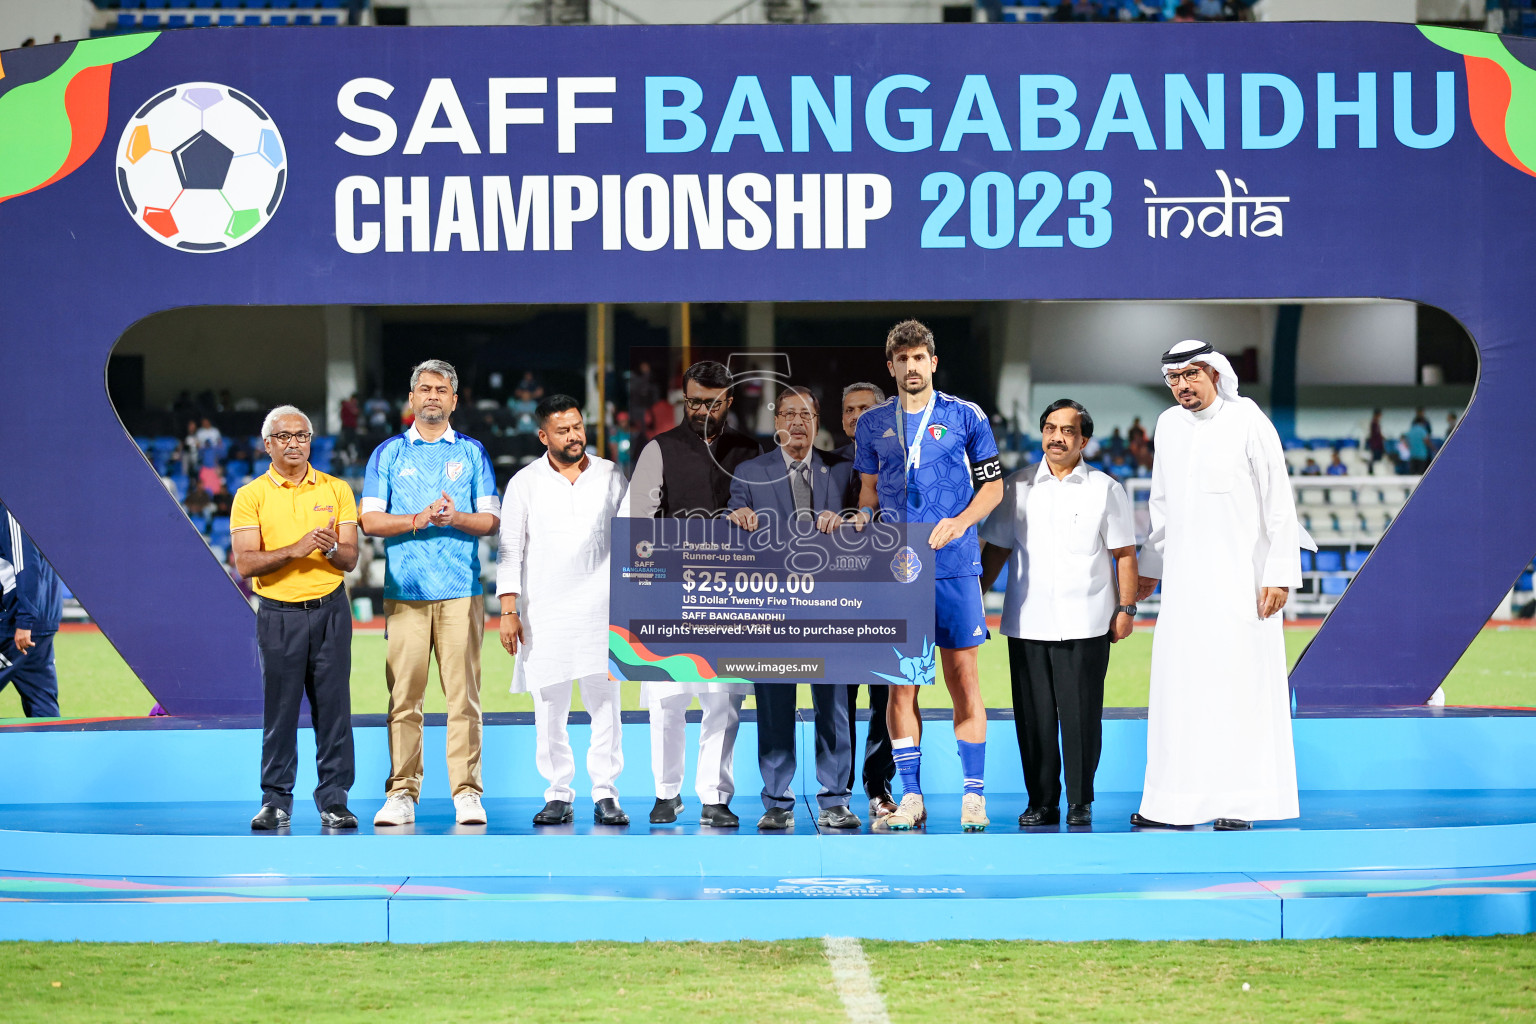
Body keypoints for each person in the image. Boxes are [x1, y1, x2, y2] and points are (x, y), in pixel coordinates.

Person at [1132, 339, 1307, 831]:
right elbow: (1161, 505)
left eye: (1189, 375)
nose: (1181, 386)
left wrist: (1277, 572)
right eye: (1172, 379)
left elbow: (1279, 501)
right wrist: (1152, 566)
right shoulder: (1168, 426)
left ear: (1213, 372)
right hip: (1186, 587)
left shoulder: (1249, 419)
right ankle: (1172, 806)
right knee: (1180, 691)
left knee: (1239, 692)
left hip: (1241, 585)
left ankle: (1241, 805)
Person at [852, 320, 1004, 832]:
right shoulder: (873, 424)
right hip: (897, 570)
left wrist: (961, 523)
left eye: (920, 358)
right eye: (902, 359)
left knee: (965, 682)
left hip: (956, 567)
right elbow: (869, 496)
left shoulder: (966, 416)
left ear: (933, 363)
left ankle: (974, 797)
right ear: (890, 366)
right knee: (902, 687)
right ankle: (912, 797)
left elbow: (993, 490)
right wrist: (859, 521)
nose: (911, 367)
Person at [980, 400, 1137, 828]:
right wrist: (974, 598)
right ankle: (1042, 802)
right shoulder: (1016, 486)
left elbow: (1123, 553)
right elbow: (996, 549)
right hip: (1027, 622)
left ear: (1083, 440)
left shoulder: (1106, 489)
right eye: (1050, 428)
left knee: (1081, 718)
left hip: (1087, 622)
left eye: (1067, 430)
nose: (1056, 437)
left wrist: (1126, 607)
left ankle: (1080, 801)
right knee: (1034, 720)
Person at [620, 360, 764, 827]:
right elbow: (635, 525)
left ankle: (715, 796)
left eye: (713, 402)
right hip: (670, 592)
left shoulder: (752, 450)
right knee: (667, 697)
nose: (703, 409)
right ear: (685, 399)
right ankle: (666, 792)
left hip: (734, 594)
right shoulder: (658, 449)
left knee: (723, 699)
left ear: (729, 401)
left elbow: (767, 520)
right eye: (695, 401)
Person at [361, 359, 501, 828]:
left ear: (455, 400)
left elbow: (491, 520)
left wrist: (452, 517)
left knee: (464, 699)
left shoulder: (474, 453)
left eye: (442, 389)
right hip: (405, 592)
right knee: (405, 699)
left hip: (462, 590)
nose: (433, 396)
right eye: (425, 388)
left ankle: (467, 793)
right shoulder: (387, 454)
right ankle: (402, 793)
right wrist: (418, 519)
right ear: (411, 398)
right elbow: (370, 521)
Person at [726, 386, 859, 831]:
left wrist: (850, 521)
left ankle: (836, 799)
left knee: (835, 706)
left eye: (805, 413)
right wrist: (736, 516)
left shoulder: (841, 472)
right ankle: (777, 802)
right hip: (773, 611)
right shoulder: (749, 471)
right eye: (788, 413)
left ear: (817, 421)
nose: (797, 422)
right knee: (774, 705)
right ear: (776, 421)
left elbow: (868, 516)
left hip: (831, 609)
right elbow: (733, 511)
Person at [497, 395, 630, 827]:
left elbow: (632, 539)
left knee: (606, 707)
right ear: (543, 435)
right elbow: (510, 548)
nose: (574, 436)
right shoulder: (524, 482)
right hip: (544, 612)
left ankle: (606, 793)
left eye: (578, 427)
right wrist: (508, 609)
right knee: (549, 709)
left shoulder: (612, 475)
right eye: (563, 430)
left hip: (603, 609)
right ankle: (557, 793)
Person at [230, 406, 359, 831]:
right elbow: (246, 564)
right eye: (284, 437)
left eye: (301, 436)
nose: (294, 444)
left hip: (330, 610)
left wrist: (328, 550)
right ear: (268, 444)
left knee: (334, 709)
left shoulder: (337, 489)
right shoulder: (251, 495)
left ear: (311, 441)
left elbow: (350, 558)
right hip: (278, 614)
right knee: (280, 712)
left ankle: (334, 800)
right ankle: (275, 801)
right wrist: (295, 548)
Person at [835, 382, 896, 820]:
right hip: (836, 605)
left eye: (867, 409)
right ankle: (837, 790)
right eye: (850, 410)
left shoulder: (902, 464)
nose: (857, 417)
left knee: (886, 700)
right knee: (839, 700)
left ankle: (879, 787)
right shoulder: (826, 468)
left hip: (889, 601)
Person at [0, 503, 63, 718]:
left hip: (16, 623)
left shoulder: (11, 512)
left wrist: (24, 622)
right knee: (42, 702)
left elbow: (27, 566)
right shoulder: (32, 505)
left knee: (41, 700)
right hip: (41, 619)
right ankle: (51, 750)